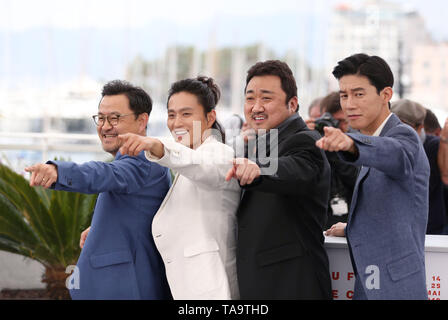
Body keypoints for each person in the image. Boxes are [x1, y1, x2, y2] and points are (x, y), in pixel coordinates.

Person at [24, 80, 172, 300]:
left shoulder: (143, 160)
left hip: (125, 288)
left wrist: (58, 171)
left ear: (142, 121)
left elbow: (102, 173)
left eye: (114, 118)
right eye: (101, 118)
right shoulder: (135, 161)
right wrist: (101, 228)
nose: (104, 126)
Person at [117, 76, 240, 300]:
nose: (176, 123)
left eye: (186, 114)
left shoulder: (219, 153)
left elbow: (204, 167)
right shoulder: (186, 159)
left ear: (210, 117)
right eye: (171, 115)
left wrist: (158, 146)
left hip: (212, 291)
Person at [321, 53, 430, 300]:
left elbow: (394, 154)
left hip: (396, 289)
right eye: (344, 95)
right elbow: (389, 212)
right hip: (370, 284)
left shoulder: (403, 136)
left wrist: (350, 143)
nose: (349, 104)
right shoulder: (375, 139)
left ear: (386, 94)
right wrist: (352, 229)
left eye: (359, 94)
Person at [225, 60, 332, 299]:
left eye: (266, 98)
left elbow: (290, 169)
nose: (256, 107)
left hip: (292, 286)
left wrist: (257, 169)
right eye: (250, 98)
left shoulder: (305, 140)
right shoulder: (262, 142)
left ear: (292, 104)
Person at [391, 100, 448, 234]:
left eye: (404, 126)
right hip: (397, 225)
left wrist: (444, 142)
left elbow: (445, 175)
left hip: (431, 226)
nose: (398, 131)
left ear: (420, 127)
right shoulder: (388, 145)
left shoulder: (434, 145)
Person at [316, 92, 358, 229]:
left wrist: (337, 149)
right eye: (332, 121)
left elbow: (355, 178)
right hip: (317, 221)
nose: (336, 127)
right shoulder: (311, 139)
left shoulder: (356, 143)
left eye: (342, 122)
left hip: (345, 220)